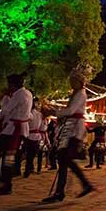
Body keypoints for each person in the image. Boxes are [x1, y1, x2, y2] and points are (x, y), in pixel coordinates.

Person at [41, 64, 95, 203]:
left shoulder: (81, 93)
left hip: (74, 129)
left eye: (73, 80)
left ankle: (71, 188)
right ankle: (76, 187)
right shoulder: (76, 94)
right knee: (64, 160)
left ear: (79, 81)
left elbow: (70, 111)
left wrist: (53, 112)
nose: (71, 82)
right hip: (70, 127)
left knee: (65, 159)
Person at [0, 73, 32, 196]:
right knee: (6, 158)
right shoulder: (27, 93)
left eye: (9, 84)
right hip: (16, 130)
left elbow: (6, 110)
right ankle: (1, 183)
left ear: (12, 85)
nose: (8, 87)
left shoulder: (18, 94)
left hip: (13, 131)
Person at [25, 98, 45, 177]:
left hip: (31, 135)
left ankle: (28, 169)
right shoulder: (38, 114)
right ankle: (30, 168)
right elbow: (42, 127)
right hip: (35, 136)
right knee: (32, 154)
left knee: (30, 154)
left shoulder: (32, 113)